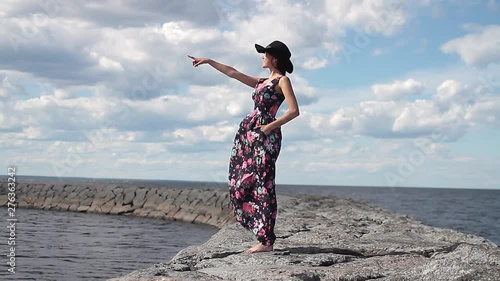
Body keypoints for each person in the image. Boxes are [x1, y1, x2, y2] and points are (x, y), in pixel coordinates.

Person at [188, 40, 300, 253]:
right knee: (239, 182)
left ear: (274, 58)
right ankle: (260, 232)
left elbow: (294, 111)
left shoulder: (283, 81)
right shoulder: (261, 82)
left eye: (265, 54)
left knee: (263, 183)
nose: (262, 57)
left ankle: (266, 241)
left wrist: (269, 127)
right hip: (248, 135)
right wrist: (209, 61)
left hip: (266, 136)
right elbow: (233, 72)